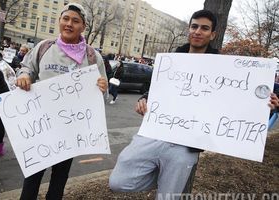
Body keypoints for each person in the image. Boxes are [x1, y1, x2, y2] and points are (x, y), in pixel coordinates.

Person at [109, 10, 279, 199]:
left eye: (205, 28)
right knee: (118, 182)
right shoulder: (172, 60)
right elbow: (158, 89)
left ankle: (169, 180)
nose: (198, 31)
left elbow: (235, 102)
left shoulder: (224, 67)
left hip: (187, 145)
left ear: (213, 34)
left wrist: (263, 105)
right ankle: (162, 178)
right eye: (194, 26)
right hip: (155, 134)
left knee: (167, 197)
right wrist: (145, 99)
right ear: (189, 29)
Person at [15, 3, 108, 200]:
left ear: (83, 27)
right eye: (65, 19)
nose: (69, 24)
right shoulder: (44, 47)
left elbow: (102, 91)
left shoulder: (92, 56)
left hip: (69, 129)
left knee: (60, 177)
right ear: (60, 21)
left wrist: (101, 87)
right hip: (41, 125)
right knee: (33, 176)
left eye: (75, 21)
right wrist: (24, 76)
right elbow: (26, 68)